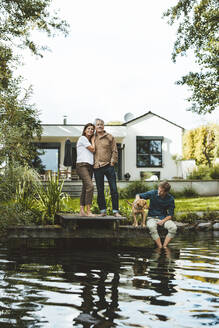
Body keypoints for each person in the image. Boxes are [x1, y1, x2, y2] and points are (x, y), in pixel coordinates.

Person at [135, 181, 177, 248]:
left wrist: (163, 221)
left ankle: (164, 246)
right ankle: (160, 247)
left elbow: (170, 215)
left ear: (166, 192)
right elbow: (138, 195)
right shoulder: (153, 193)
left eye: (161, 191)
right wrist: (137, 200)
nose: (159, 192)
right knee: (152, 227)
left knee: (173, 228)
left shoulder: (170, 199)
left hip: (163, 218)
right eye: (159, 190)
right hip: (151, 217)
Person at [93, 118, 121, 217]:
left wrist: (112, 162)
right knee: (100, 190)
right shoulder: (92, 138)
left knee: (113, 189)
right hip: (97, 167)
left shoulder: (110, 137)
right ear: (95, 127)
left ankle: (115, 211)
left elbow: (114, 150)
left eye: (101, 124)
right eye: (97, 124)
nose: (100, 126)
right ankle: (103, 211)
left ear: (104, 126)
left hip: (109, 166)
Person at [76, 123, 95, 216]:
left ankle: (81, 211)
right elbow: (93, 149)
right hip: (82, 165)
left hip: (90, 166)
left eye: (92, 129)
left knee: (85, 188)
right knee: (90, 186)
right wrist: (93, 140)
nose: (90, 130)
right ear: (85, 130)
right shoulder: (82, 138)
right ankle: (88, 211)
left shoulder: (89, 141)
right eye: (89, 128)